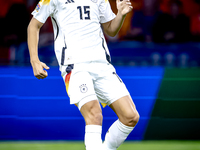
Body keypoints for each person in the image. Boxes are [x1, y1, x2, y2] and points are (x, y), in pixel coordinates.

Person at [27, 0, 140, 150]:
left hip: (102, 66)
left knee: (130, 117)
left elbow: (111, 29)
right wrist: (34, 60)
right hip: (75, 65)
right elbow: (33, 25)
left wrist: (120, 14)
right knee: (94, 114)